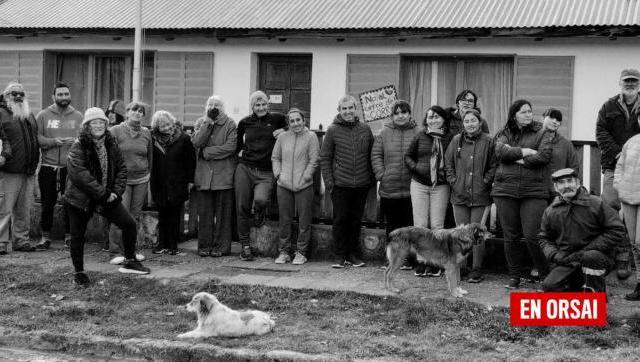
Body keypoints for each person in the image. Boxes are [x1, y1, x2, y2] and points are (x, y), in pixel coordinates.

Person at [64, 107, 150, 287]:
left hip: (107, 196)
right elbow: (80, 176)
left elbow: (121, 169)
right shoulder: (78, 145)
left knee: (128, 224)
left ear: (106, 124)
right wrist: (104, 194)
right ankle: (79, 272)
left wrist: (115, 193)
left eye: (101, 122)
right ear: (87, 126)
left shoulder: (111, 142)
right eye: (93, 122)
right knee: (78, 236)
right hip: (80, 198)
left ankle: (130, 260)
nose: (98, 125)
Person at [493, 99, 554, 289]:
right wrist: (525, 151)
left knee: (532, 235)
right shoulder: (504, 133)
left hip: (534, 191)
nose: (528, 114)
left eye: (530, 111)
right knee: (510, 235)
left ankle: (546, 274)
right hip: (505, 190)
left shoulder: (542, 132)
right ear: (514, 115)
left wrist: (517, 158)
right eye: (523, 112)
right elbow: (500, 152)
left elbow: (543, 156)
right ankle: (514, 275)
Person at [539, 168, 625, 293]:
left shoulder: (596, 203)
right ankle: (580, 290)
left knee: (591, 257)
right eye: (562, 183)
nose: (567, 186)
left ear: (578, 183)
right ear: (556, 188)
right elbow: (544, 238)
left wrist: (586, 251)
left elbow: (616, 230)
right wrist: (555, 255)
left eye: (570, 181)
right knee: (550, 286)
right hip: (568, 260)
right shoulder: (551, 211)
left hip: (598, 258)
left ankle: (597, 295)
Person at [320, 95, 374, 269]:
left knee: (355, 220)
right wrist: (330, 183)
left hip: (361, 185)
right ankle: (340, 255)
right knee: (340, 220)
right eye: (344, 109)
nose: (348, 111)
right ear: (339, 111)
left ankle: (354, 255)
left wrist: (370, 179)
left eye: (351, 108)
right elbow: (325, 158)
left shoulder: (365, 129)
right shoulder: (332, 130)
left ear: (355, 109)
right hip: (340, 185)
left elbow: (372, 155)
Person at [596, 68, 640, 279]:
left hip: (639, 170)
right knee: (611, 211)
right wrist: (620, 155)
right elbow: (600, 133)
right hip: (613, 167)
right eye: (626, 81)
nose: (630, 84)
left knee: (634, 217)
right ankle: (611, 258)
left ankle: (627, 260)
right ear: (619, 82)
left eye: (634, 81)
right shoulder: (608, 106)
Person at [444, 108, 497, 283]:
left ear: (480, 122)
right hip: (459, 195)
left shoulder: (489, 141)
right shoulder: (456, 140)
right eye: (466, 121)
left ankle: (476, 268)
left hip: (480, 195)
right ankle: (463, 266)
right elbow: (448, 163)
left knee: (478, 232)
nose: (470, 124)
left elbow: (494, 165)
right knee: (461, 231)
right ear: (463, 124)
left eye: (473, 120)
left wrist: (485, 181)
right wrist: (453, 181)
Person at [235, 91, 287, 261]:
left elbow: (298, 123)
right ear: (252, 106)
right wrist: (240, 154)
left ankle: (259, 211)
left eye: (264, 104)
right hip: (245, 168)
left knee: (261, 200)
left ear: (268, 105)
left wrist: (284, 131)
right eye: (257, 105)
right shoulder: (244, 122)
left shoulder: (277, 119)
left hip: (266, 171)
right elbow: (237, 144)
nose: (261, 107)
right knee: (242, 206)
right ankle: (245, 246)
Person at [404, 105, 453, 276]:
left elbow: (454, 159)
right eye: (430, 117)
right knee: (420, 225)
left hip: (441, 186)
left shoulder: (450, 138)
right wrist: (416, 168)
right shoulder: (420, 135)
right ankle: (422, 261)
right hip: (419, 185)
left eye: (436, 117)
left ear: (443, 119)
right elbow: (408, 156)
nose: (433, 120)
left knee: (437, 226)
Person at [371, 100, 419, 268]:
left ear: (409, 114)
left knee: (409, 227)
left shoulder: (418, 132)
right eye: (397, 113)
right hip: (389, 188)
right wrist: (381, 174)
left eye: (404, 112)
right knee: (392, 227)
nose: (400, 116)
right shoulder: (384, 132)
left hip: (411, 188)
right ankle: (392, 260)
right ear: (392, 116)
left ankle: (408, 260)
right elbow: (376, 155)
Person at [35, 81, 83, 249]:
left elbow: (85, 140)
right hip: (48, 167)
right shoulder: (43, 115)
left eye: (66, 94)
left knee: (71, 203)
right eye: (60, 94)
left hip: (71, 167)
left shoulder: (78, 116)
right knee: (47, 203)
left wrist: (76, 142)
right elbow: (37, 138)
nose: (64, 97)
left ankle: (70, 236)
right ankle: (45, 237)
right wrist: (53, 141)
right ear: (53, 96)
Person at [191, 95, 237, 257]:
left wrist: (207, 152)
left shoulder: (230, 124)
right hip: (204, 177)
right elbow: (196, 142)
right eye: (210, 104)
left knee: (223, 216)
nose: (213, 107)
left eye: (217, 105)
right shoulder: (201, 123)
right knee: (204, 215)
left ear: (222, 108)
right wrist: (207, 123)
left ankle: (221, 248)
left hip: (223, 176)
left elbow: (230, 147)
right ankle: (204, 246)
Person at [272, 108, 319, 265]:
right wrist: (279, 174)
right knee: (284, 220)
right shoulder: (283, 137)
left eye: (298, 120)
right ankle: (284, 252)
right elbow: (275, 158)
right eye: (292, 121)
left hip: (304, 185)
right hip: (283, 185)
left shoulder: (311, 137)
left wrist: (306, 177)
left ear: (303, 120)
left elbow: (314, 160)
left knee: (304, 221)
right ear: (288, 123)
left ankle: (301, 252)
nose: (295, 123)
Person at [107, 101, 151, 264]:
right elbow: (109, 156)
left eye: (141, 111)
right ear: (126, 112)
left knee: (135, 217)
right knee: (120, 216)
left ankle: (130, 251)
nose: (138, 113)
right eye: (134, 110)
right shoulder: (115, 131)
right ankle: (115, 251)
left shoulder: (147, 133)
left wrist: (148, 174)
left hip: (141, 179)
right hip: (122, 180)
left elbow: (149, 156)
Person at [0, 83, 40, 254]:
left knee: (24, 209)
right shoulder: (1, 113)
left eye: (21, 94)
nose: (18, 96)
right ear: (6, 95)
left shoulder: (29, 114)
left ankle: (21, 241)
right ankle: (1, 243)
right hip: (9, 170)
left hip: (28, 170)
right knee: (4, 208)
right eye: (13, 93)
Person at [149, 110, 195, 256]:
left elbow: (191, 161)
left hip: (178, 182)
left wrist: (190, 180)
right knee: (162, 214)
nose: (167, 128)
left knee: (175, 214)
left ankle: (173, 245)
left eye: (168, 124)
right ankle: (162, 244)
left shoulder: (184, 138)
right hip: (159, 182)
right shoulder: (152, 139)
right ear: (157, 128)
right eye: (163, 126)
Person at [613, 133, 640, 299]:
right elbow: (619, 167)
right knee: (634, 244)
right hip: (628, 198)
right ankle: (639, 283)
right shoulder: (631, 141)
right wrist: (619, 186)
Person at [541, 108, 579, 203]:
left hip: (558, 193)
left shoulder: (566, 144)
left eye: (558, 120)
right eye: (551, 117)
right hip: (535, 193)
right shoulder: (533, 140)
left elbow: (574, 168)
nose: (555, 121)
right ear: (543, 119)